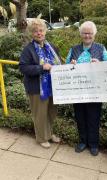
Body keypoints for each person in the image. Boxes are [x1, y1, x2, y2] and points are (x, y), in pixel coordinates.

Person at [66, 21, 107, 156]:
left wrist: (100, 64)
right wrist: (71, 64)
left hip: (95, 91)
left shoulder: (101, 48)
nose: (87, 35)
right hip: (78, 91)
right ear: (80, 34)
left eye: (90, 33)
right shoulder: (74, 49)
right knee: (80, 117)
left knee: (94, 117)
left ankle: (94, 144)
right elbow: (65, 68)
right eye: (84, 33)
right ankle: (83, 141)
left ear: (94, 34)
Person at [19, 19, 62, 148]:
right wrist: (41, 68)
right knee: (40, 114)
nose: (39, 33)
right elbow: (23, 67)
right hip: (37, 88)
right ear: (32, 34)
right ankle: (42, 138)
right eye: (36, 31)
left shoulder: (52, 47)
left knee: (51, 112)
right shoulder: (28, 49)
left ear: (45, 31)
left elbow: (59, 62)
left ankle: (49, 134)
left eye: (41, 30)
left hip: (52, 86)